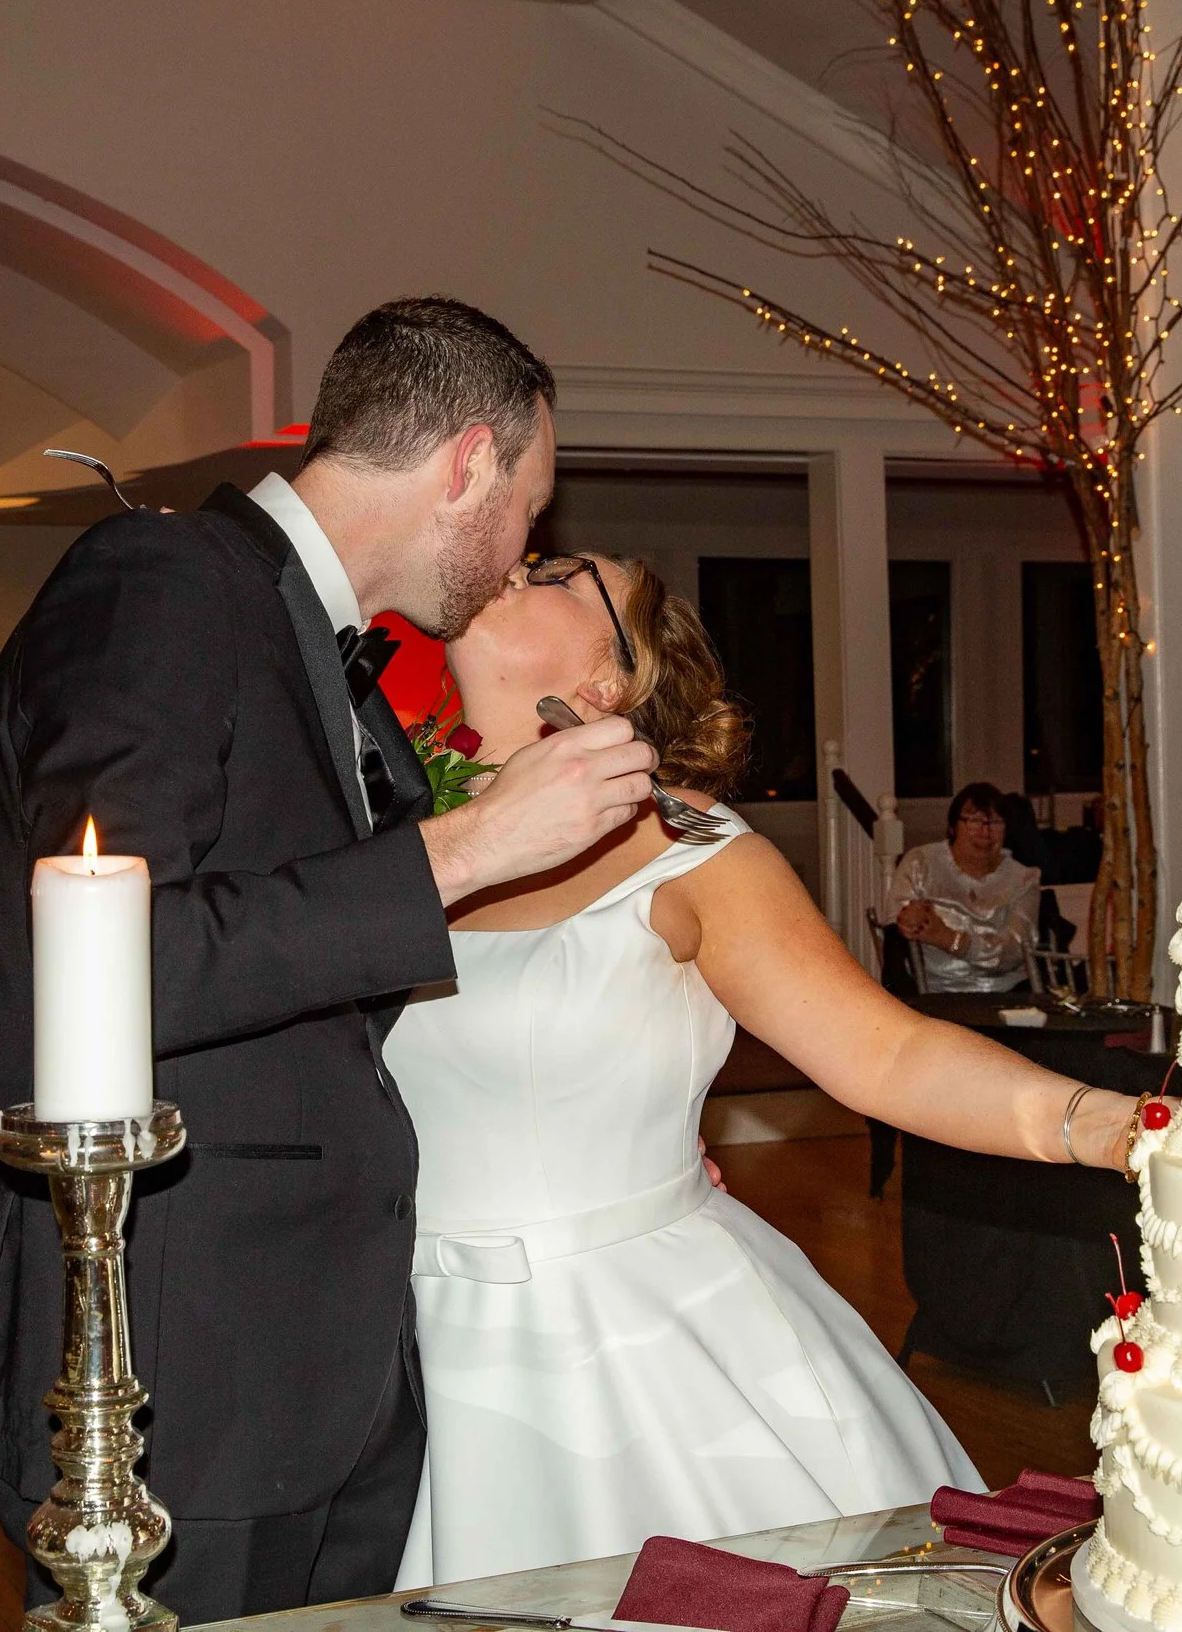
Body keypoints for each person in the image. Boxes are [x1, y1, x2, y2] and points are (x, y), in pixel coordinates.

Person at [0, 298, 660, 1622]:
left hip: (303, 1357)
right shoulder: (163, 581)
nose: (522, 553)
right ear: (467, 464)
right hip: (176, 1366)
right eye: (530, 508)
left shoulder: (304, 638)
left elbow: (318, 984)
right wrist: (467, 848)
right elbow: (116, 958)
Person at [388, 554, 1139, 1585]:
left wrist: (1098, 1121)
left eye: (561, 574)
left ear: (608, 683)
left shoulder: (686, 843)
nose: (519, 562)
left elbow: (882, 1047)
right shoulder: (393, 840)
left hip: (630, 1349)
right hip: (392, 1342)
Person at [891, 782, 1042, 991]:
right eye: (973, 821)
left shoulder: (1024, 879)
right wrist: (910, 920)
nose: (985, 832)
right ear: (952, 828)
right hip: (934, 995)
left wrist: (949, 939)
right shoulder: (921, 863)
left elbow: (1014, 952)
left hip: (1005, 993)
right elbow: (899, 926)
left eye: (995, 822)